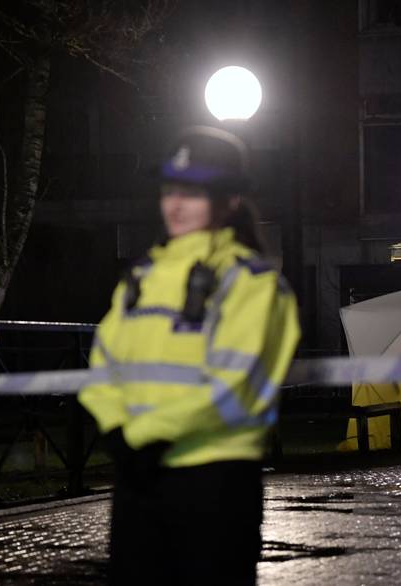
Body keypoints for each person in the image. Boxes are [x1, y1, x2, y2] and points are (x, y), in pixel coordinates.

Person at [79, 126, 301, 585]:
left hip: (214, 480)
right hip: (139, 475)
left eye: (194, 192)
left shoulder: (251, 282)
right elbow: (104, 363)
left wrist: (144, 436)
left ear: (229, 200)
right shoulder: (143, 275)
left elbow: (238, 383)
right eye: (170, 190)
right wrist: (115, 428)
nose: (175, 205)